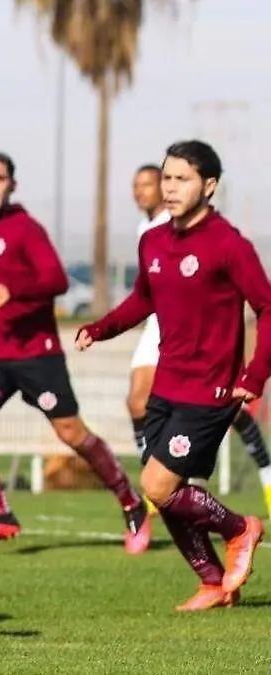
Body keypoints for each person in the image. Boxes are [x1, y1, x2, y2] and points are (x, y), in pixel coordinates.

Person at [76, 140, 266, 611]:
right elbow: (144, 298)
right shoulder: (154, 240)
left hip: (213, 387)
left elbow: (267, 306)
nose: (171, 187)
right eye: (167, 178)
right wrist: (100, 329)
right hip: (167, 384)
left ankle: (240, 529)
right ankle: (212, 582)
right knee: (167, 492)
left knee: (158, 486)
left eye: (182, 178)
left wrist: (256, 373)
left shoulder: (228, 244)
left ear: (210, 185)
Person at [0, 151, 150, 552]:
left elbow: (56, 279)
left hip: (35, 353)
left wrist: (14, 291)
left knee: (71, 433)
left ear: (12, 185)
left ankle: (131, 503)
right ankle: (0, 513)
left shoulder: (27, 230)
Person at [127, 164, 271, 518]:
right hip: (157, 325)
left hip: (190, 328)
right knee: (136, 402)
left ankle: (265, 474)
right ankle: (161, 483)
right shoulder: (145, 229)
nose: (141, 191)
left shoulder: (178, 223)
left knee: (226, 409)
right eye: (138, 185)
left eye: (148, 184)